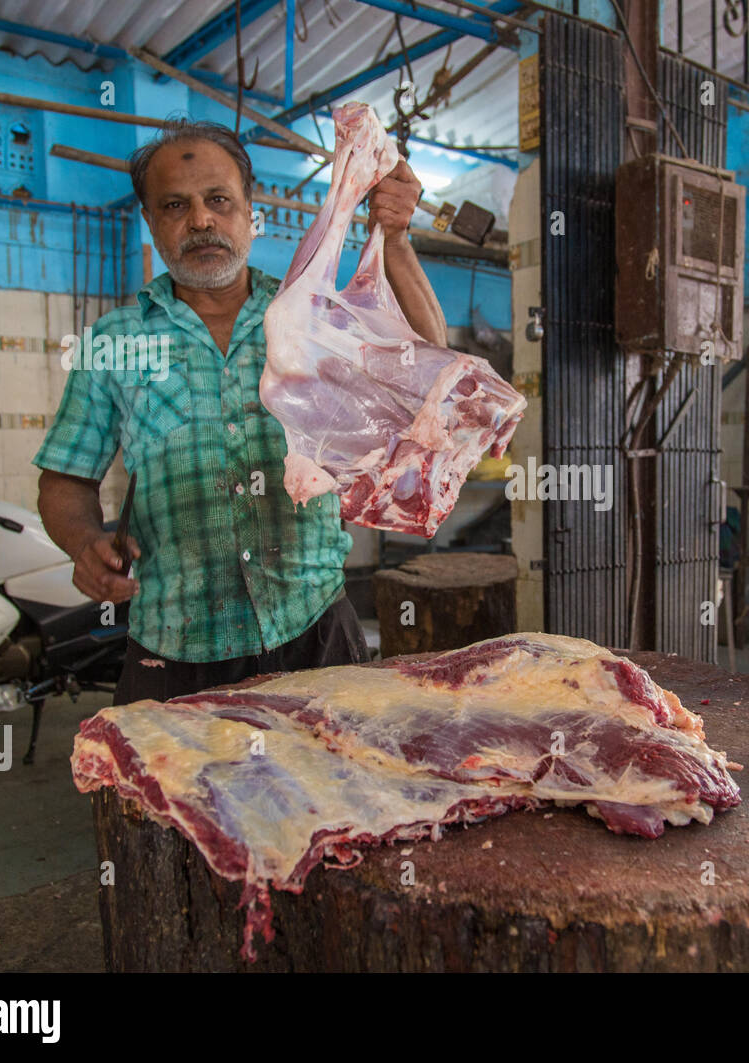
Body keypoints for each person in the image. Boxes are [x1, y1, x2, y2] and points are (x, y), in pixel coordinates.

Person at [34, 120, 448, 705]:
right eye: (175, 205)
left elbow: (428, 368)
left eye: (219, 200)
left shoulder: (310, 317)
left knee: (329, 796)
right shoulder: (115, 341)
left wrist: (396, 239)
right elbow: (65, 481)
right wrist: (83, 543)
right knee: (166, 796)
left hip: (314, 636)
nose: (200, 220)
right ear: (151, 222)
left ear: (250, 212)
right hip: (173, 652)